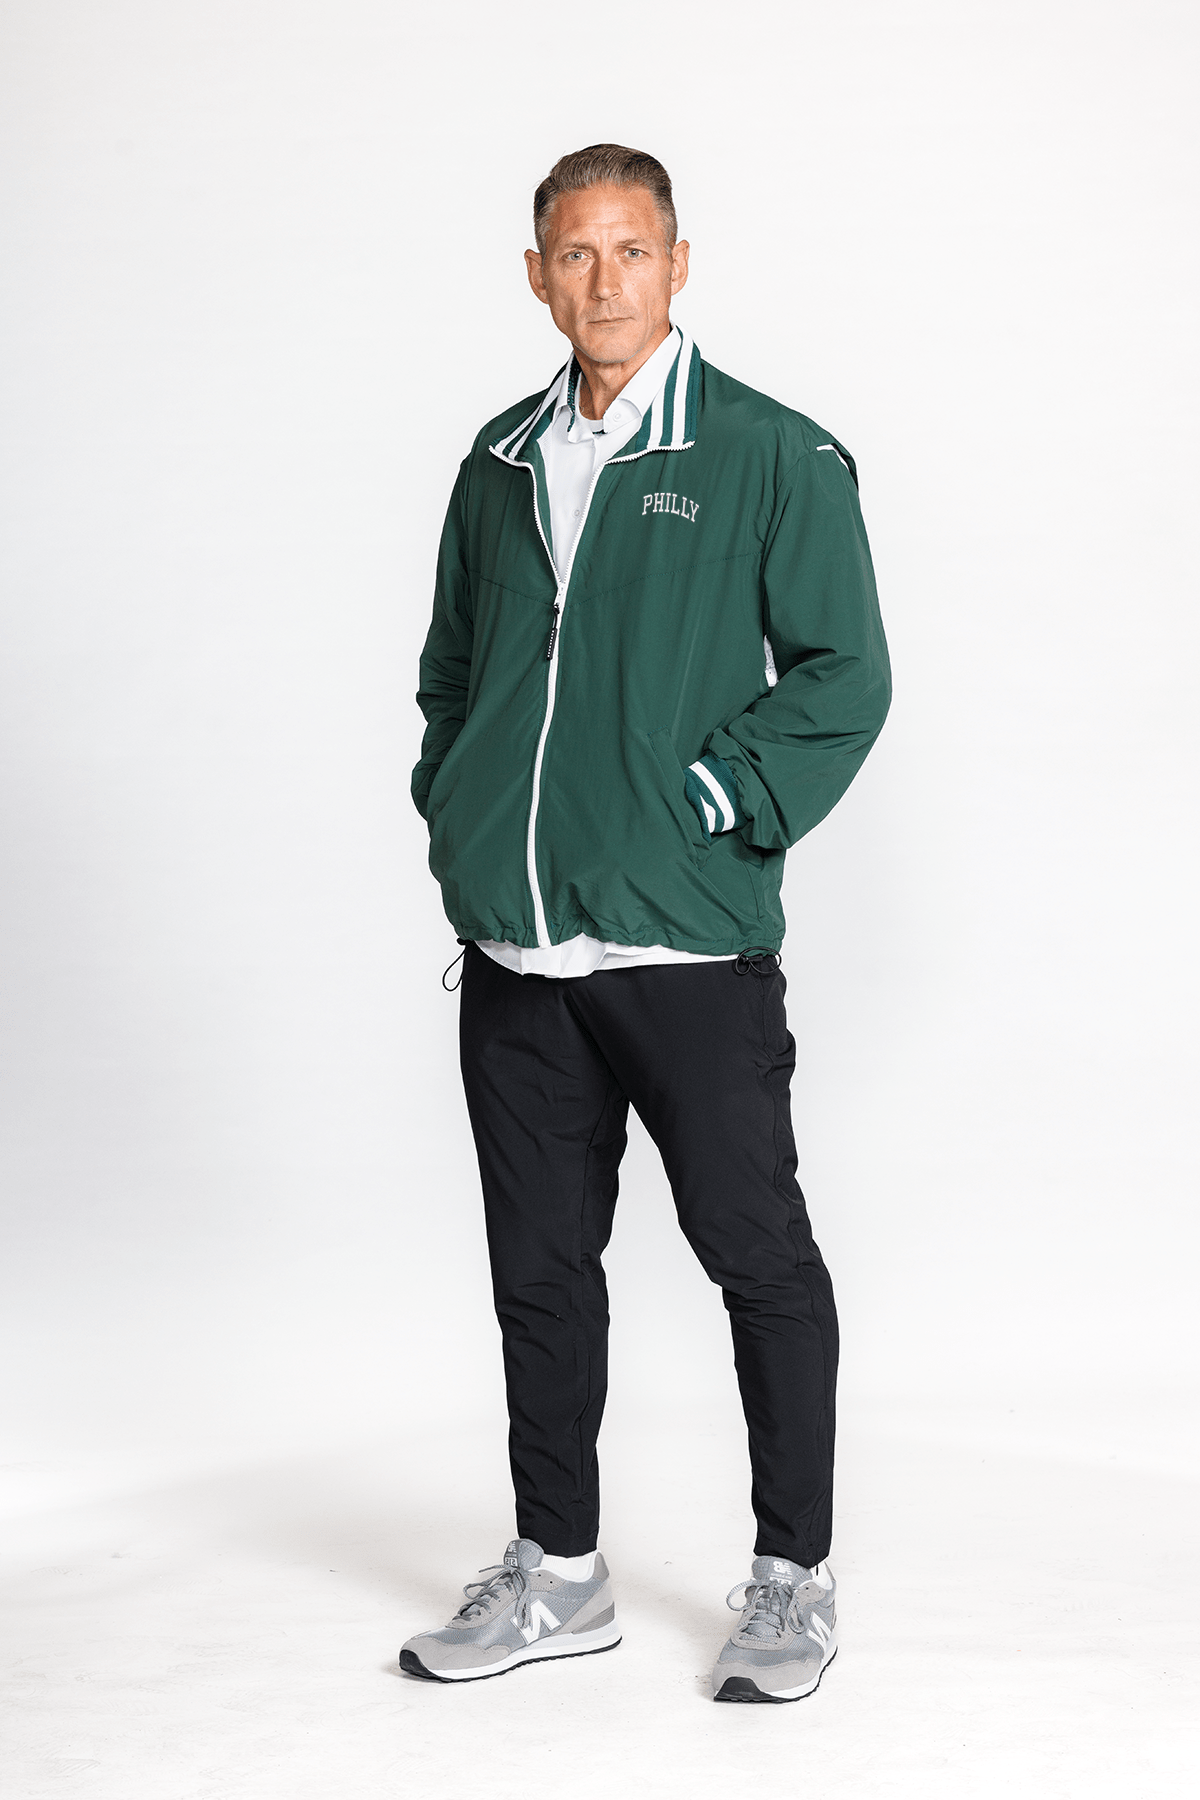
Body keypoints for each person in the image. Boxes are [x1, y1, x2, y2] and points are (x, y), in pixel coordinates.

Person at [401, 144, 890, 1703]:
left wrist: (711, 797)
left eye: (629, 250)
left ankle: (794, 1580)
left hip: (685, 946)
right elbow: (454, 673)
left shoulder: (769, 452)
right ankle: (559, 1573)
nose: (602, 280)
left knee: (757, 1258)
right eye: (574, 252)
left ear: (679, 264)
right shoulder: (497, 462)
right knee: (539, 1273)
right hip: (519, 951)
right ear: (536, 275)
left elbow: (844, 675)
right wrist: (461, 807)